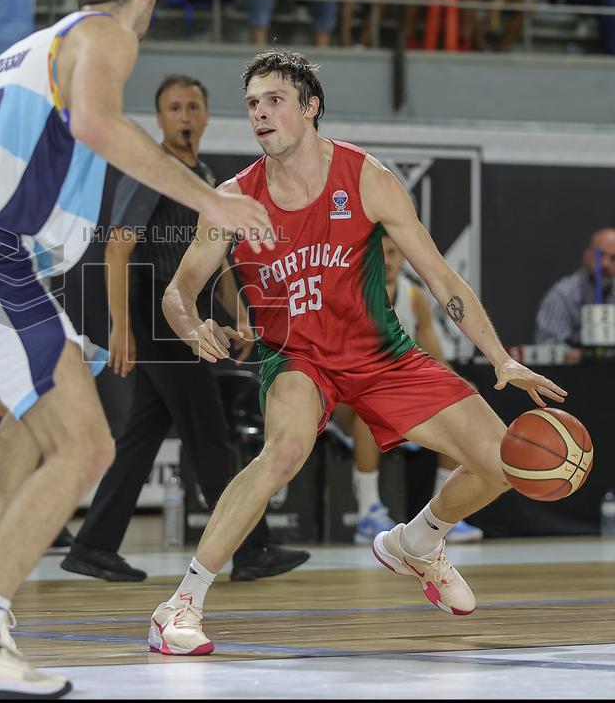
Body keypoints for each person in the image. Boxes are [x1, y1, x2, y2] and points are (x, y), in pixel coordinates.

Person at [0, 0, 273, 698]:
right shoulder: (103, 36)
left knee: (33, 423)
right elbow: (97, 121)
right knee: (89, 445)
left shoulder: (21, 50)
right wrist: (210, 201)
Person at [149, 50, 565, 656]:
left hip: (381, 356)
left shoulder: (366, 178)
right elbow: (178, 290)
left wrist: (500, 358)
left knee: (503, 461)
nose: (260, 115)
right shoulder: (235, 198)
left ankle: (418, 541)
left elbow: (443, 279)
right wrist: (190, 325)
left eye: (274, 101)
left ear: (310, 106)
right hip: (298, 360)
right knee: (284, 451)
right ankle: (180, 604)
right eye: (252, 105)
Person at [61, 73, 309, 584]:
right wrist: (121, 328)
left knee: (144, 435)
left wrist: (240, 316)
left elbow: (216, 263)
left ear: (206, 116)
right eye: (174, 109)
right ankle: (250, 547)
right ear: (160, 119)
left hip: (183, 312)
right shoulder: (152, 171)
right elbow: (117, 247)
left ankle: (93, 544)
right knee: (207, 432)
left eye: (193, 108)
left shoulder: (204, 176)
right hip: (158, 313)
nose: (185, 117)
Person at [333, 234, 483, 545]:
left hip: (399, 399)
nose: (386, 260)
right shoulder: (349, 295)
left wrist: (460, 391)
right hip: (352, 396)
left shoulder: (414, 297)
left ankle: (447, 514)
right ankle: (367, 512)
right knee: (367, 405)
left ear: (402, 258)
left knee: (461, 399)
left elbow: (438, 359)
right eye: (379, 253)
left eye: (392, 252)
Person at [535, 227, 615, 351]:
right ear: (587, 255)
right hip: (575, 368)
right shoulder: (563, 294)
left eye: (613, 258)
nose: (605, 264)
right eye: (600, 255)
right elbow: (546, 343)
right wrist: (574, 353)